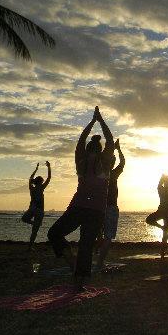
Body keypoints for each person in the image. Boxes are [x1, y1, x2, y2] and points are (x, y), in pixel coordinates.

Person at [47, 106, 114, 290]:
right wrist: (100, 121)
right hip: (93, 210)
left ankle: (72, 265)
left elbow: (81, 140)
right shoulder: (104, 162)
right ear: (100, 150)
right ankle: (78, 280)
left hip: (79, 208)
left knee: (55, 233)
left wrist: (93, 122)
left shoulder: (82, 161)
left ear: (87, 149)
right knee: (85, 245)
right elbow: (109, 139)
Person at [97, 138, 125, 268]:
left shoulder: (98, 173)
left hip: (98, 207)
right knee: (107, 237)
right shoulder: (113, 174)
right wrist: (117, 148)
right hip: (110, 207)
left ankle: (98, 256)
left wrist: (113, 149)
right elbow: (123, 162)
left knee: (99, 233)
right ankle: (100, 261)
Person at [145, 172, 168, 258]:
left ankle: (162, 252)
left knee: (165, 233)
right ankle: (161, 228)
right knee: (149, 220)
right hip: (162, 212)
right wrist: (165, 178)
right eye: (166, 181)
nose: (167, 182)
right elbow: (161, 184)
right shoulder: (162, 189)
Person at [21, 161, 51, 250]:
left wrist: (36, 169)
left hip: (33, 208)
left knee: (24, 219)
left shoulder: (32, 188)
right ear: (41, 182)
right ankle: (30, 247)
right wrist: (49, 167)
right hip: (39, 210)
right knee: (34, 231)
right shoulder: (41, 188)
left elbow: (30, 178)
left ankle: (34, 224)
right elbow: (49, 178)